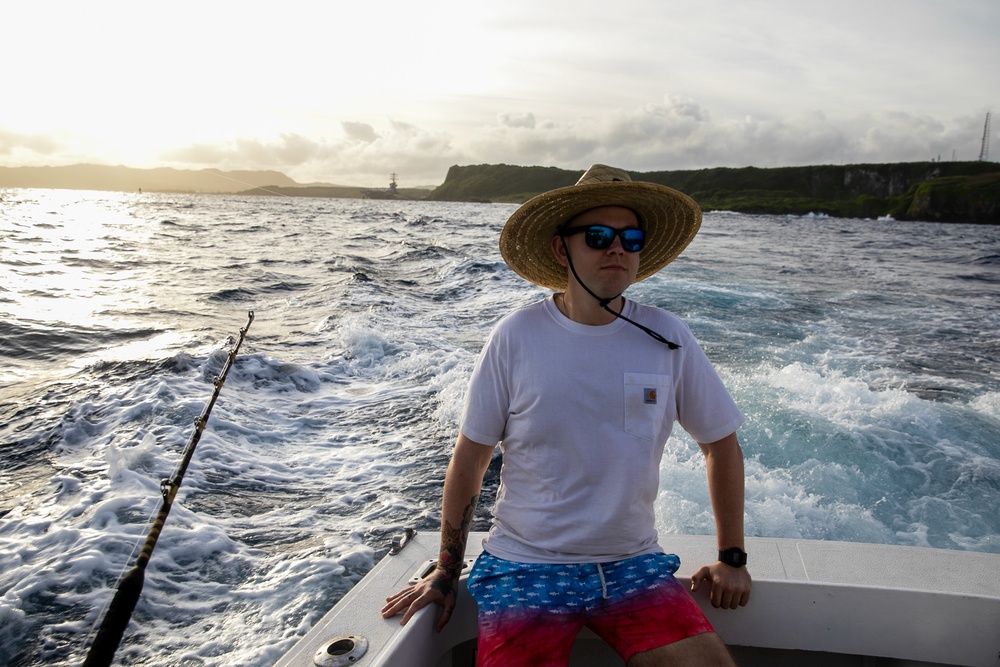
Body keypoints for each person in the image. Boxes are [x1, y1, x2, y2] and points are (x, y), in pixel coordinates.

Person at [382, 164, 751, 666]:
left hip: (633, 566)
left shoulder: (669, 337)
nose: (617, 247)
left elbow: (720, 443)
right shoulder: (516, 337)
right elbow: (470, 461)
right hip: (524, 567)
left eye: (631, 236)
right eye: (598, 236)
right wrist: (446, 573)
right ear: (563, 249)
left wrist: (731, 557)